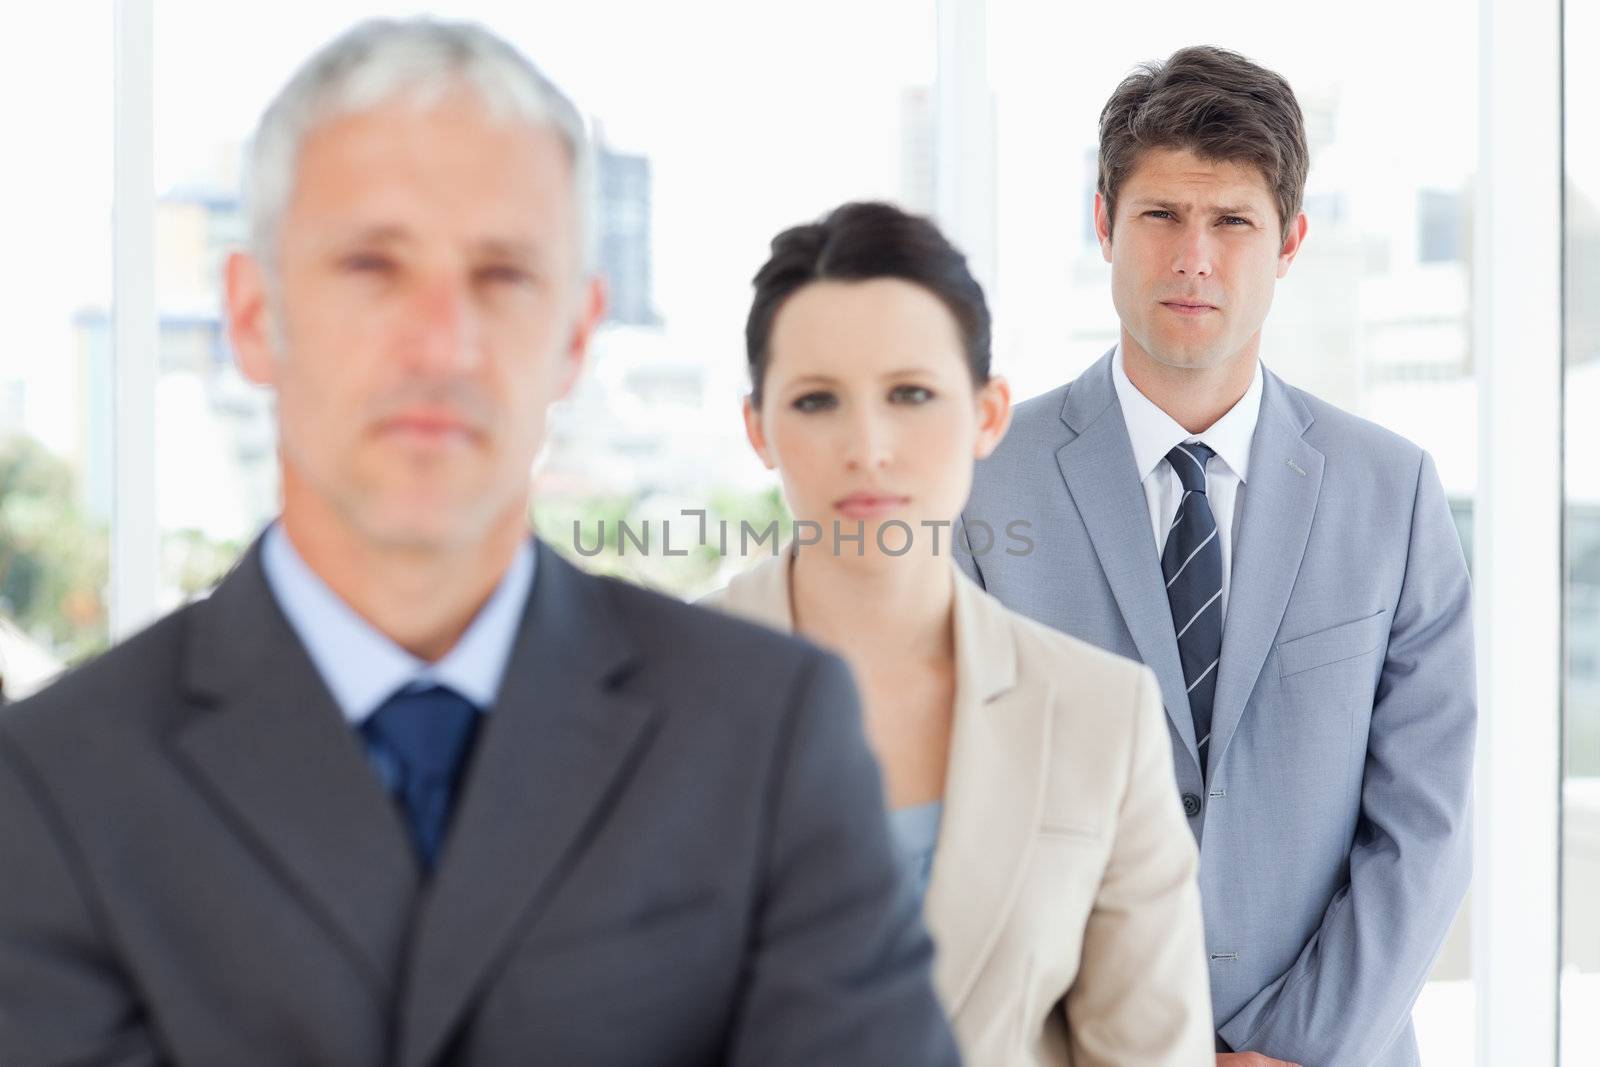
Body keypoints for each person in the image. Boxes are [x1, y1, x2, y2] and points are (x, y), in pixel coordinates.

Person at [0, 20, 960, 1067]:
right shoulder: (54, 785)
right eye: (373, 264)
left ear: (577, 335)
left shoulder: (767, 733)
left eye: (501, 275)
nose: (442, 341)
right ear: (251, 315)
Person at [960, 46, 1476, 1067]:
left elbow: (1426, 819)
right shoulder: (978, 483)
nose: (1193, 256)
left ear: (1288, 241)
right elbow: (954, 811)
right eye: (1159, 215)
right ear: (1103, 224)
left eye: (1230, 220)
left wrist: (1297, 1045)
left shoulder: (1394, 492)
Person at [704, 200, 1213, 1066]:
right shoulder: (641, 694)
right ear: (759, 427)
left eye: (911, 394)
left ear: (986, 414)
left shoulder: (1099, 715)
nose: (869, 446)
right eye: (818, 399)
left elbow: (1146, 1049)